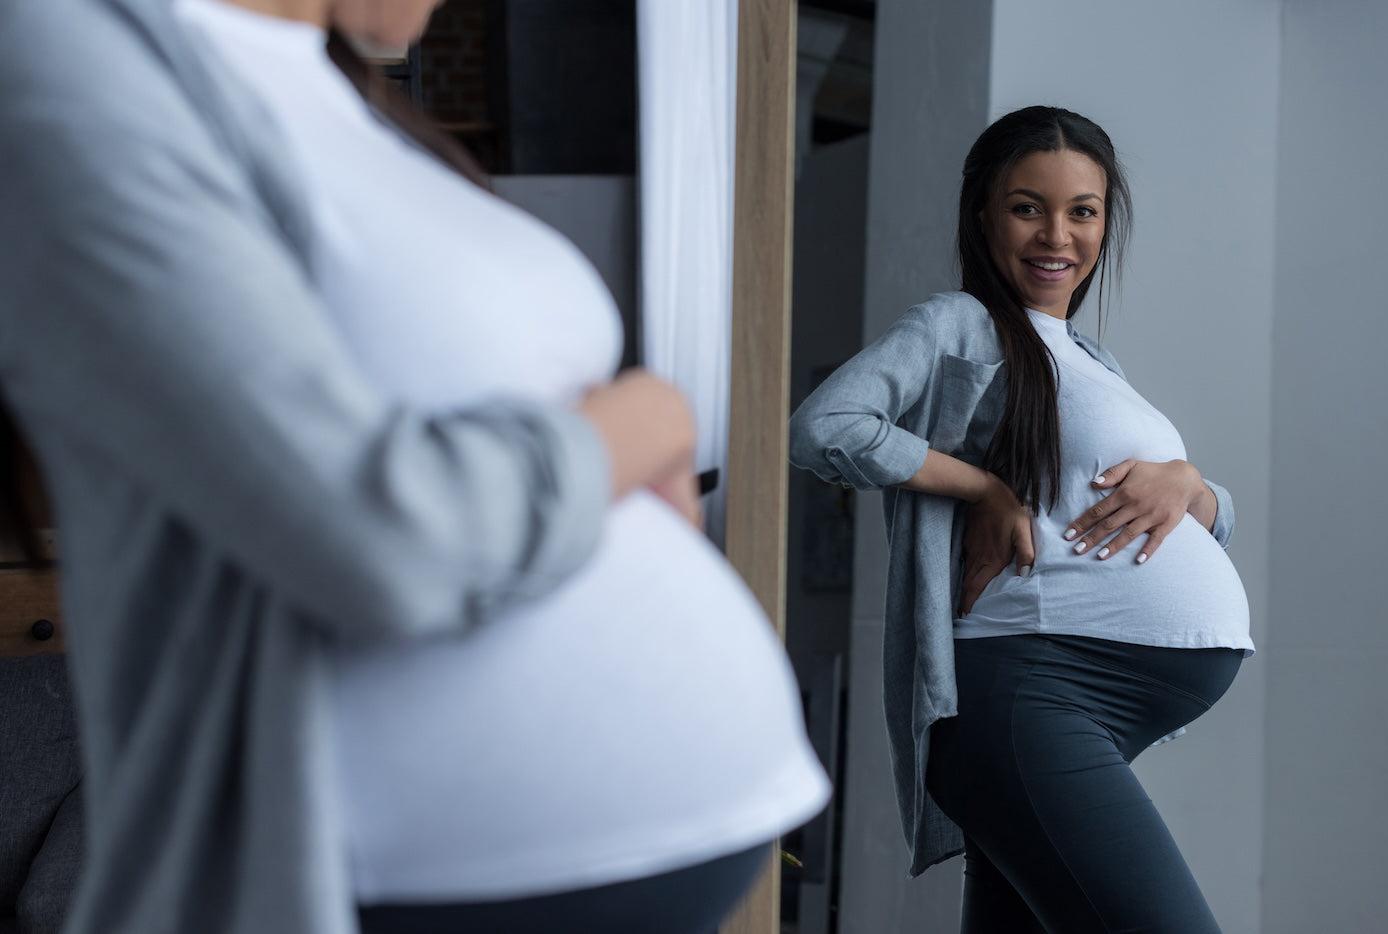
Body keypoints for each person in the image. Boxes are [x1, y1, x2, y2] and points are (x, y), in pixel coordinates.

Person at [0, 1, 831, 932]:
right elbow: (377, 538)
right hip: (414, 885)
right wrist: (648, 420)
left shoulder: (325, 83)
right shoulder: (59, 56)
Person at [789, 105, 1253, 933]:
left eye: (1083, 211)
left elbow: (1194, 522)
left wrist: (1188, 482)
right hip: (1030, 697)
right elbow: (825, 428)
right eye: (1026, 206)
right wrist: (984, 489)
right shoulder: (959, 326)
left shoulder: (1089, 357)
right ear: (983, 215)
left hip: (1075, 706)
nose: (1057, 236)